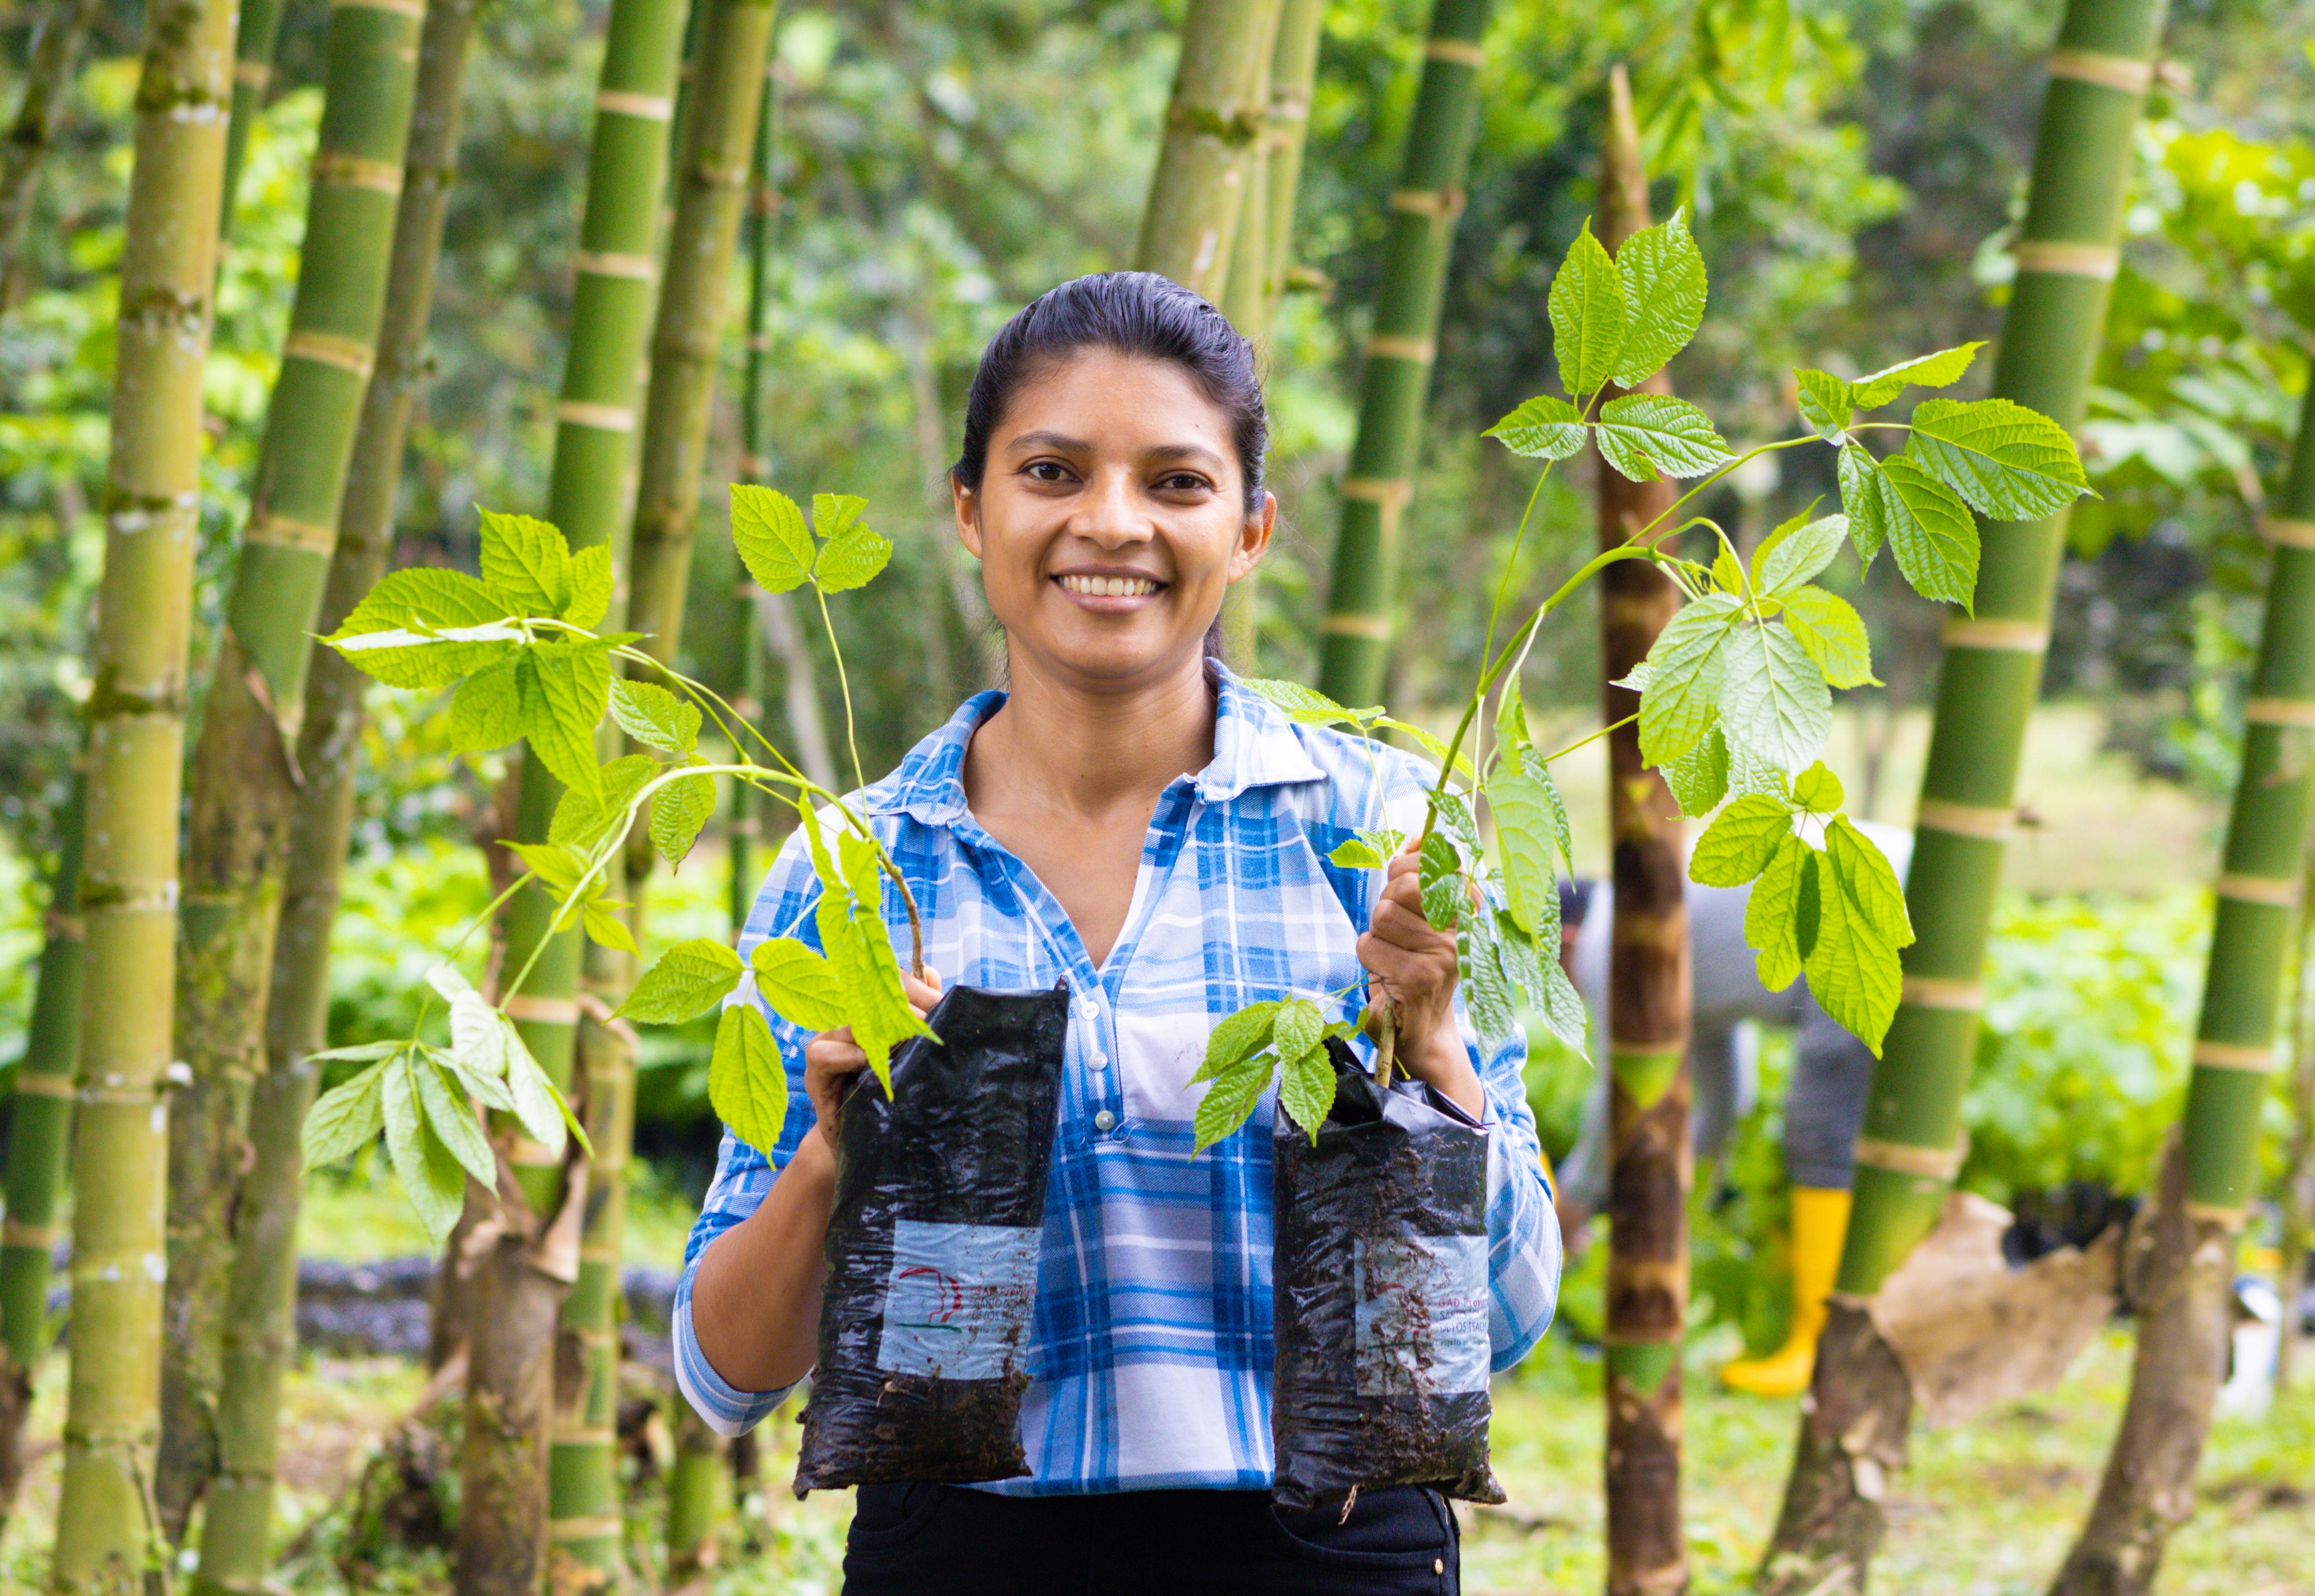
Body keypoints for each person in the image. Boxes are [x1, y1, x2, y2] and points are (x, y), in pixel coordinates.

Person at [672, 272, 1562, 1595]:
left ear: (1250, 530)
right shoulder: (859, 870)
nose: (1110, 521)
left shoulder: (1384, 840)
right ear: (970, 510)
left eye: (1176, 482)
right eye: (1052, 470)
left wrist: (1431, 1056)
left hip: (1326, 1544)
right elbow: (726, 1376)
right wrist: (829, 1158)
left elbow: (1501, 1321)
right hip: (961, 1548)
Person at [1552, 822, 1912, 1397]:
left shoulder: (1611, 941)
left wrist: (1570, 1204)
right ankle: (1846, 1334)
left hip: (1866, 907)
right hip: (1910, 875)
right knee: (1863, 1132)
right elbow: (1724, 1099)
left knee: (1820, 1132)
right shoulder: (1650, 914)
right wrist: (1690, 1203)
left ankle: (1819, 1349)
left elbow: (1619, 1097)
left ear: (1565, 939)